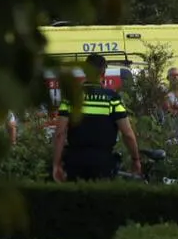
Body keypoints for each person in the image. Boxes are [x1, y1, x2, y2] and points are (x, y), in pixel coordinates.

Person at [52, 53, 141, 181]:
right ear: (103, 73)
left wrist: (56, 164)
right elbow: (127, 134)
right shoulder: (112, 99)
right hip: (103, 163)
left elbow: (60, 133)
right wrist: (135, 159)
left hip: (75, 161)